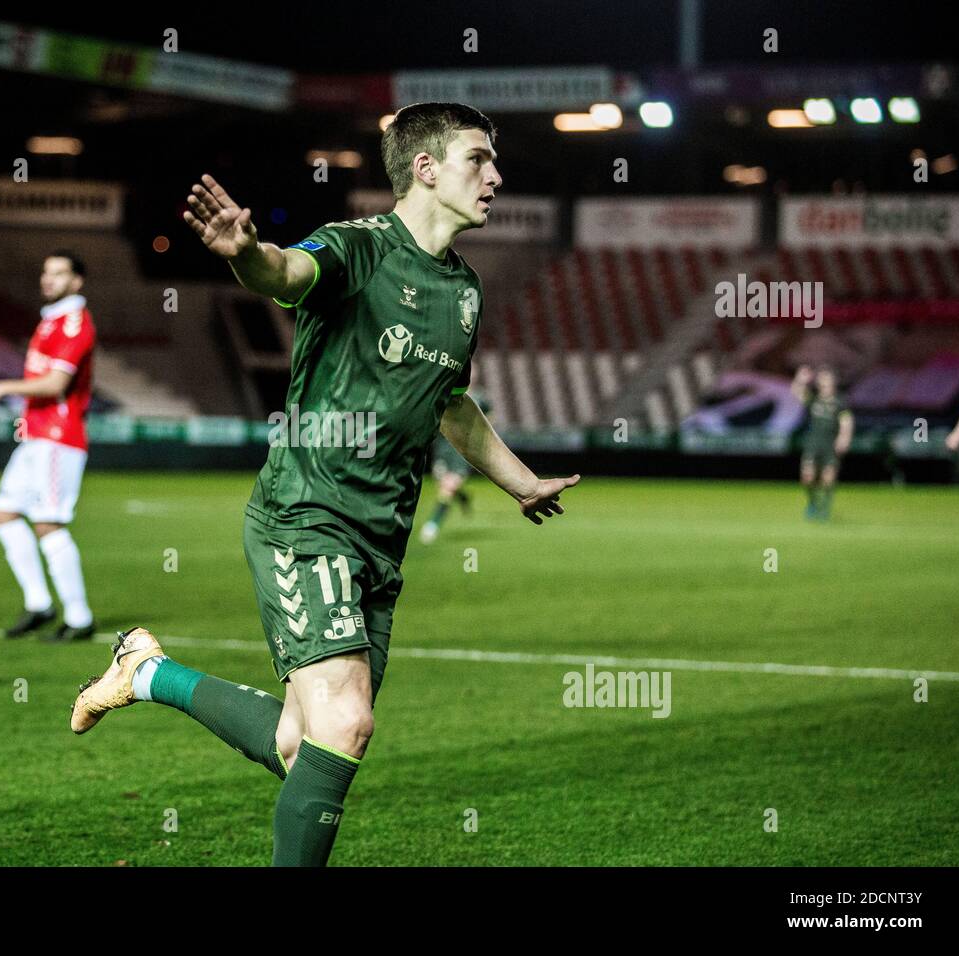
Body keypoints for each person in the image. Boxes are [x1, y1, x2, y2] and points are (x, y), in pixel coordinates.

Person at [71, 103, 579, 866]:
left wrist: (520, 481)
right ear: (426, 168)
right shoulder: (358, 249)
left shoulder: (464, 292)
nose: (496, 176)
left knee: (298, 741)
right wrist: (245, 252)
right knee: (345, 726)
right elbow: (286, 272)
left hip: (380, 539)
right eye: (479, 159)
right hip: (306, 517)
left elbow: (449, 403)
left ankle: (147, 674)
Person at [0, 251, 97, 641]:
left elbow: (55, 385)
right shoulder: (51, 320)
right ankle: (39, 604)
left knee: (48, 524)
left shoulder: (76, 323)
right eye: (46, 272)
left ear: (77, 281)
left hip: (59, 439)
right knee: (5, 515)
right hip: (35, 436)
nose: (48, 278)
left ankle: (79, 618)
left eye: (59, 273)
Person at [419, 392, 492, 543]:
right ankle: (463, 497)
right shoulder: (444, 392)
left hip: (462, 451)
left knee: (448, 487)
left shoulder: (479, 399)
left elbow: (491, 417)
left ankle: (432, 524)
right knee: (446, 485)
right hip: (443, 448)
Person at [791, 365, 853, 521]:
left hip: (830, 445)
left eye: (826, 381)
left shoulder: (840, 402)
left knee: (828, 478)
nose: (823, 384)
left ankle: (825, 507)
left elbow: (847, 421)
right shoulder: (814, 399)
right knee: (807, 477)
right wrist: (800, 379)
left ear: (833, 383)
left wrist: (844, 438)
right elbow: (795, 392)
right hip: (813, 443)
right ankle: (812, 503)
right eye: (821, 381)